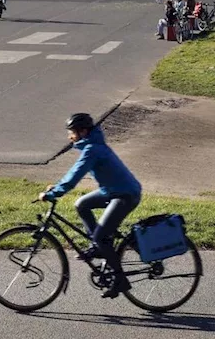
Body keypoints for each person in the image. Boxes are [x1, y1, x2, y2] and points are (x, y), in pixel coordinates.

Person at [40, 113, 142, 299]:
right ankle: (98, 246)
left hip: (125, 194)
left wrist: (54, 193)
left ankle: (120, 279)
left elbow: (75, 175)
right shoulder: (91, 147)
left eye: (72, 133)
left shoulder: (92, 149)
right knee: (82, 204)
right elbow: (73, 173)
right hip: (112, 191)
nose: (70, 137)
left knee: (101, 235)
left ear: (83, 131)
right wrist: (57, 186)